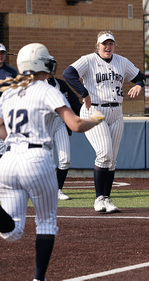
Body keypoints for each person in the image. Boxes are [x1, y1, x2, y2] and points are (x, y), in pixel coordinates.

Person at [0, 43, 102, 281]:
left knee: (12, 233)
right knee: (46, 223)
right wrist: (96, 119)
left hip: (8, 159)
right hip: (36, 158)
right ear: (40, 64)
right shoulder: (46, 89)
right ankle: (38, 278)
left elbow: (0, 128)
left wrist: (18, 138)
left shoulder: (9, 92)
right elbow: (75, 125)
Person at [63, 31, 145, 213]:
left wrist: (139, 84)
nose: (108, 47)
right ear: (97, 45)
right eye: (104, 44)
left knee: (112, 160)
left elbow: (140, 76)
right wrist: (83, 93)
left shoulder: (121, 61)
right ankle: (99, 199)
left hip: (116, 111)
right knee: (104, 153)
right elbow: (68, 73)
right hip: (95, 111)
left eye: (110, 43)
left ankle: (106, 199)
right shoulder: (88, 60)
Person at [46, 74, 83, 201]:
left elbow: (73, 102)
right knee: (46, 162)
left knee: (65, 159)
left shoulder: (60, 84)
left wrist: (85, 113)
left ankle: (57, 189)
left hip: (60, 122)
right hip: (43, 125)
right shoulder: (34, 85)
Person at [0, 43, 18, 158]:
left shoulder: (11, 71)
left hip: (6, 110)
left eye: (2, 53)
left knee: (5, 146)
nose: (0, 56)